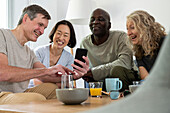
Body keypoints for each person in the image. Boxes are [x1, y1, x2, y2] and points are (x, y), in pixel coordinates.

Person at [0, 4, 89, 105]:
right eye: (40, 25)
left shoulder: (29, 52)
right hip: (2, 95)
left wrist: (74, 76)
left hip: (20, 93)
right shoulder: (2, 35)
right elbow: (3, 73)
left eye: (44, 28)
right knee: (37, 98)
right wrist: (46, 71)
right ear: (26, 18)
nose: (42, 31)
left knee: (54, 89)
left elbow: (45, 76)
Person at [78, 8, 137, 91]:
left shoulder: (120, 37)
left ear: (109, 25)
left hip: (123, 79)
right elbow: (81, 69)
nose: (95, 22)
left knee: (116, 70)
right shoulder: (84, 43)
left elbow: (125, 62)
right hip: (99, 83)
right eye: (92, 19)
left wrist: (94, 73)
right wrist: (85, 74)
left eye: (100, 19)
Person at [28, 20, 76, 87]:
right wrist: (58, 82)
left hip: (56, 92)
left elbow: (67, 81)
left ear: (69, 39)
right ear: (53, 34)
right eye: (59, 33)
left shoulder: (69, 58)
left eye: (65, 35)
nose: (61, 38)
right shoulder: (39, 52)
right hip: (34, 89)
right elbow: (36, 78)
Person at [126, 10, 166, 80]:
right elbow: (146, 79)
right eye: (127, 29)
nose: (128, 33)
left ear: (144, 27)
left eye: (132, 27)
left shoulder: (165, 42)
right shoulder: (139, 51)